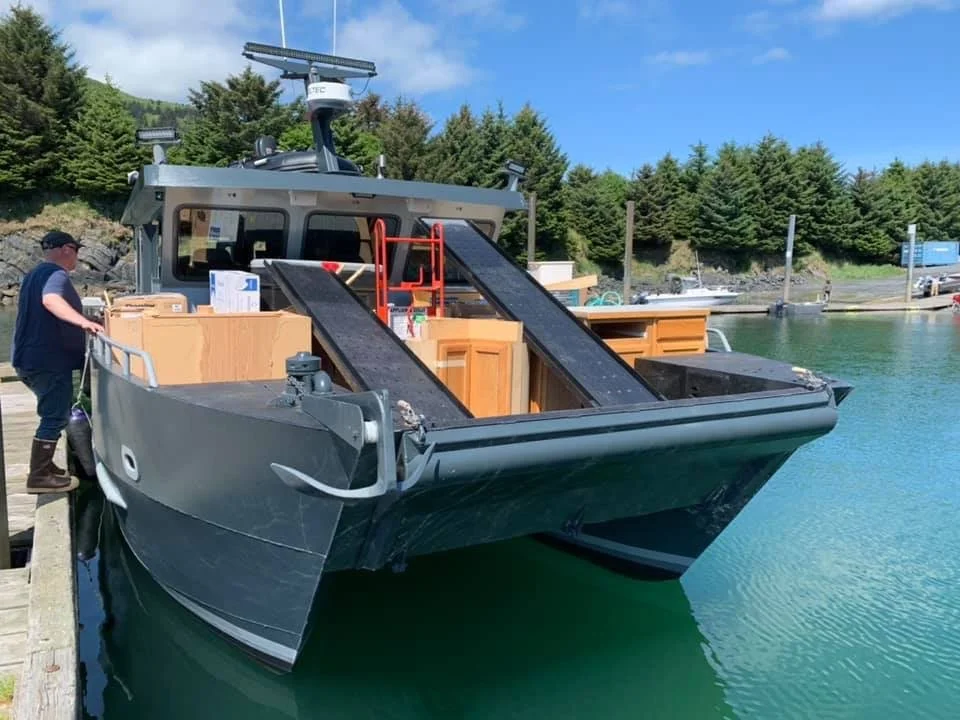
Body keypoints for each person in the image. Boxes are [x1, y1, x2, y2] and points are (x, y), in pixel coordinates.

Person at [10, 231, 104, 493]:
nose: (77, 257)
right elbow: (50, 301)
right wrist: (85, 322)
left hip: (28, 358)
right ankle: (39, 476)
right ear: (66, 249)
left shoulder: (33, 274)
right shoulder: (56, 275)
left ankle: (47, 467)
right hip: (47, 362)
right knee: (54, 415)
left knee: (52, 412)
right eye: (76, 251)